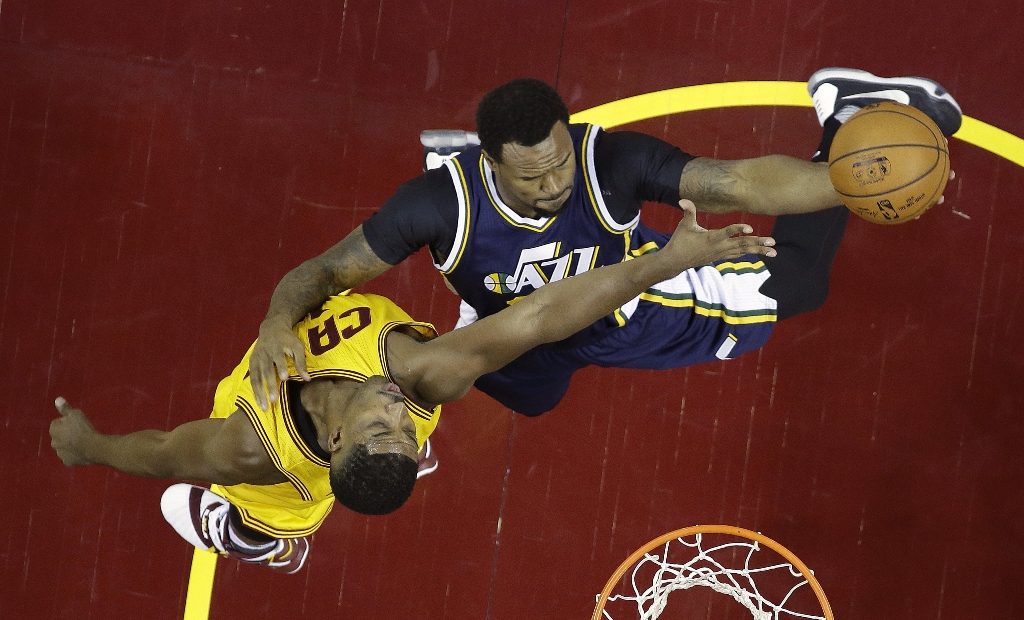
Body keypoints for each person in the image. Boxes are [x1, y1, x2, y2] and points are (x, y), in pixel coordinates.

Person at [48, 209, 773, 573]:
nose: (402, 415)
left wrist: (87, 446)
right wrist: (276, 322)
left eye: (384, 429)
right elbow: (536, 317)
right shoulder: (420, 380)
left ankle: (252, 536)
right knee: (284, 522)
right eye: (407, 434)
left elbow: (162, 454)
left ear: (339, 436)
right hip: (303, 439)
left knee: (268, 512)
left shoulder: (244, 450)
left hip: (285, 474)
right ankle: (278, 533)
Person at [246, 67, 962, 418]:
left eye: (559, 160)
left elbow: (738, 182)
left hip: (627, 303)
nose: (555, 182)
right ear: (490, 162)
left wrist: (851, 182)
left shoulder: (611, 161)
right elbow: (324, 272)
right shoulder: (435, 206)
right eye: (532, 176)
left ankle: (851, 116)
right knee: (527, 401)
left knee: (800, 284)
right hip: (509, 329)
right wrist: (278, 320)